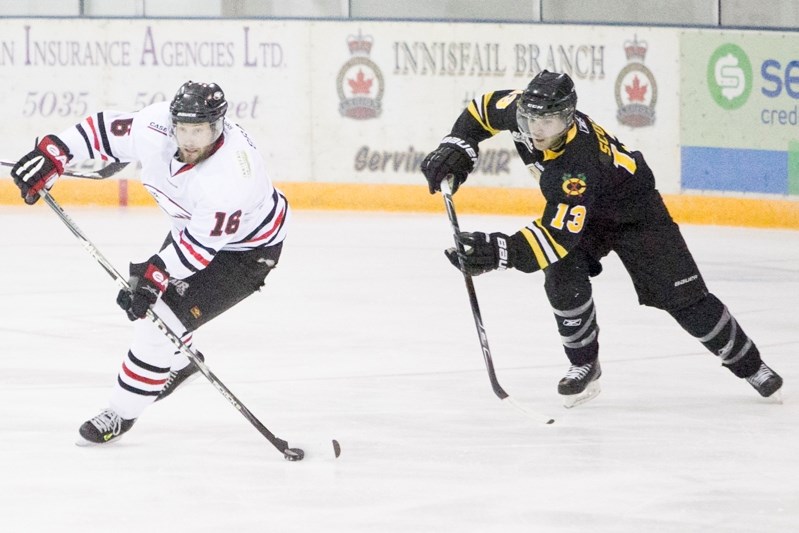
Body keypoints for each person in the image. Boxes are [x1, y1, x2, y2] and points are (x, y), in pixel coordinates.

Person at [421, 70, 782, 408]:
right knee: (562, 272)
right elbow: (481, 110)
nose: (537, 131)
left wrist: (498, 251)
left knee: (684, 299)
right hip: (584, 213)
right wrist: (458, 146)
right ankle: (584, 365)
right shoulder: (522, 112)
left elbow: (554, 237)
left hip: (636, 215)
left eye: (549, 122)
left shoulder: (577, 163)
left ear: (567, 117)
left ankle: (750, 365)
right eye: (531, 120)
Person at [11, 81, 290, 443]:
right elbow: (100, 133)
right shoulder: (154, 125)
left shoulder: (231, 176)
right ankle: (179, 362)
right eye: (184, 129)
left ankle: (121, 412)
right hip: (193, 232)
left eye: (200, 131)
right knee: (156, 309)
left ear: (218, 127)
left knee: (156, 323)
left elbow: (198, 252)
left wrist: (155, 275)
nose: (189, 140)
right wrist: (56, 153)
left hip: (245, 254)